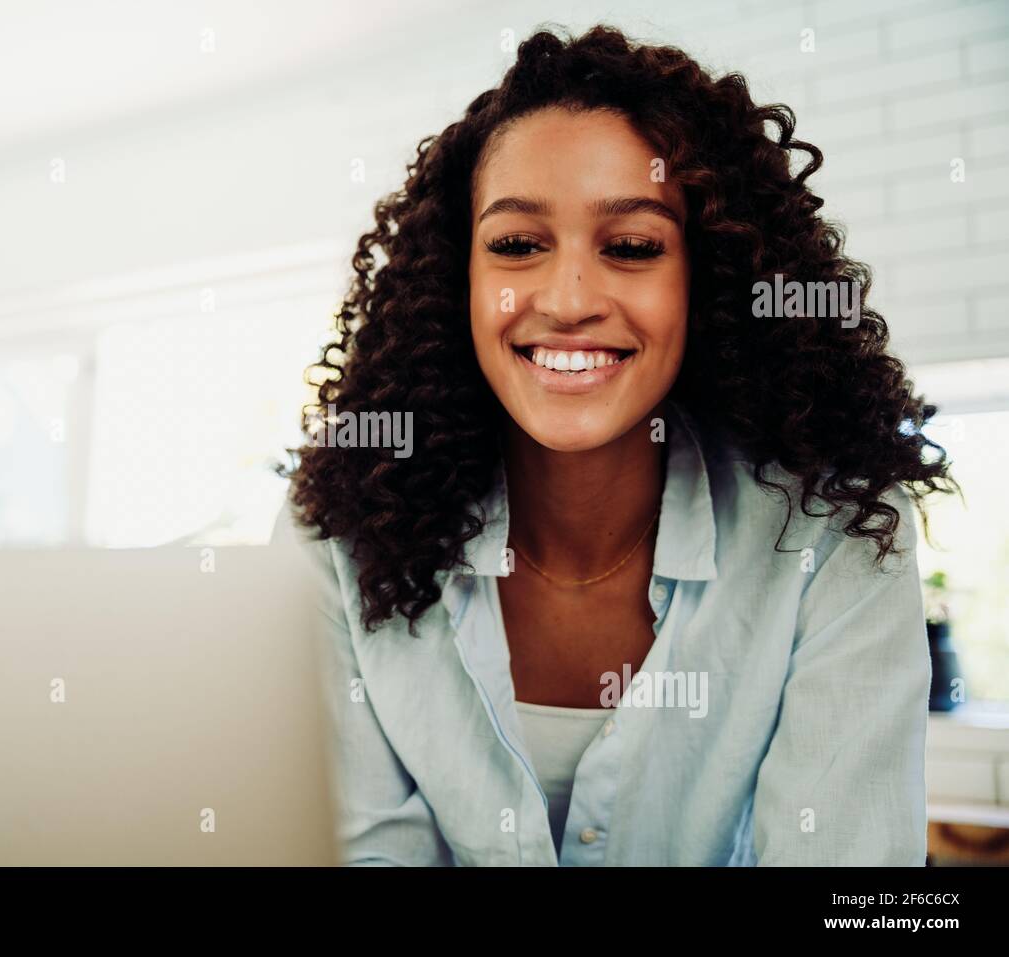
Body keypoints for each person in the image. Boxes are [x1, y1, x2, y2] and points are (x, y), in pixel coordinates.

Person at [272, 24, 958, 866]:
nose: (566, 299)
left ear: (705, 280)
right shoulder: (340, 526)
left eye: (632, 247)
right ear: (460, 279)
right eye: (517, 244)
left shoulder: (832, 533)